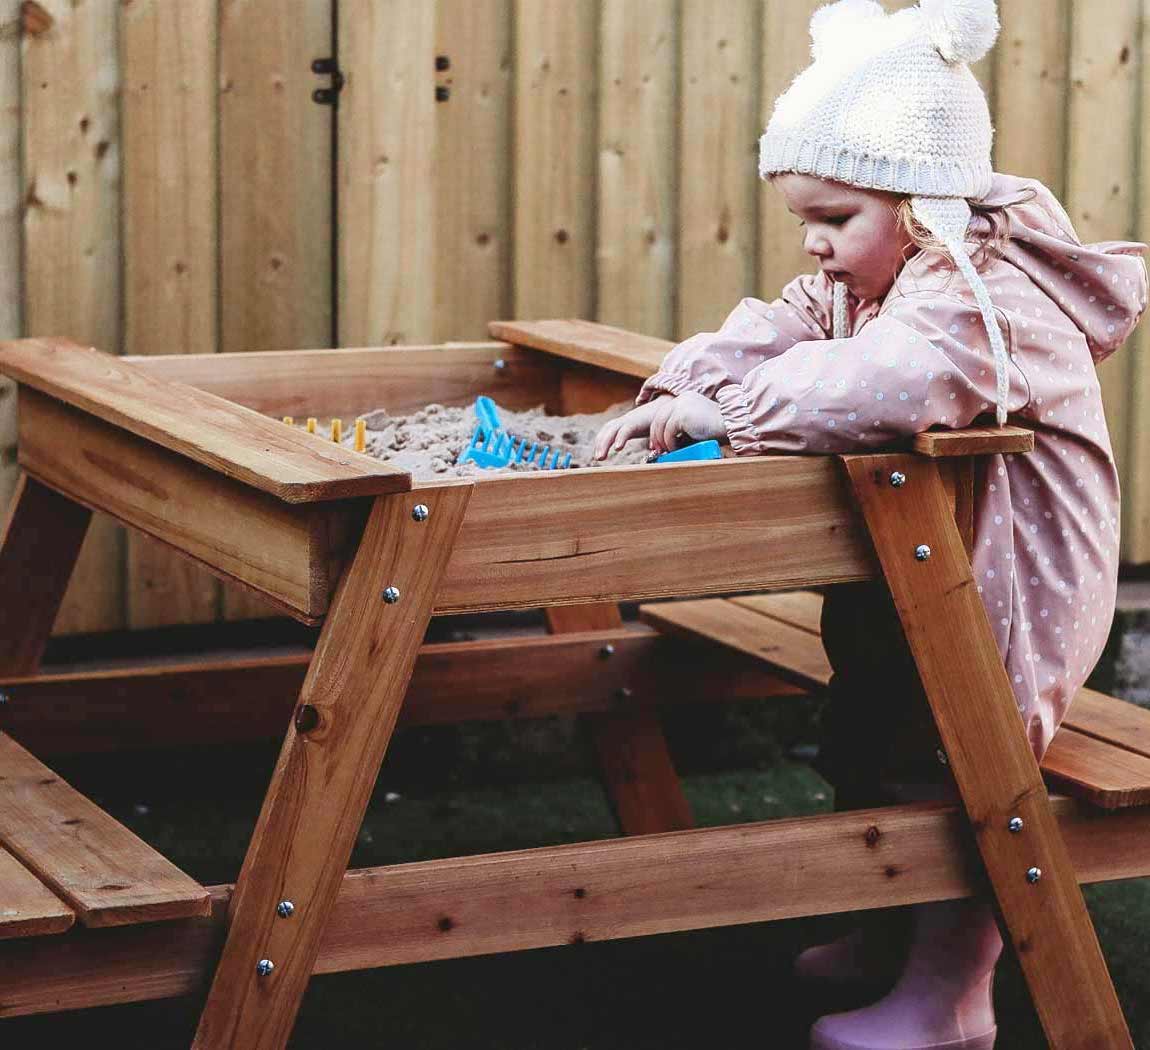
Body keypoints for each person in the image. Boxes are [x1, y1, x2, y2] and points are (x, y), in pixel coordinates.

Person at [593, 1, 1148, 1048]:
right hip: (921, 568)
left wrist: (732, 417)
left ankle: (951, 996)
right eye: (803, 217)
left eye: (835, 218)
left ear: (919, 201)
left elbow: (895, 382)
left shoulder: (984, 297)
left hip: (1011, 575)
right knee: (870, 730)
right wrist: (679, 386)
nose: (815, 242)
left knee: (961, 762)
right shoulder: (875, 277)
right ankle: (887, 935)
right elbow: (782, 327)